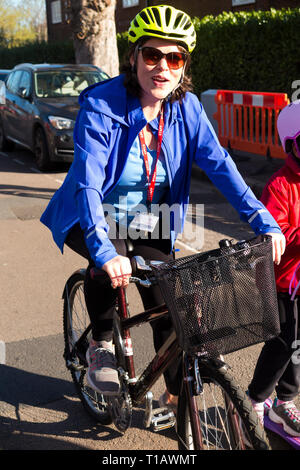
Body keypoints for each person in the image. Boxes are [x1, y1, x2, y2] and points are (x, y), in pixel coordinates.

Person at [40, 5, 285, 409]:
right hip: (92, 213)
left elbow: (222, 167)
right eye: (153, 55)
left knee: (169, 303)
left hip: (149, 219)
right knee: (111, 265)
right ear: (133, 56)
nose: (163, 67)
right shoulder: (103, 106)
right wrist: (102, 250)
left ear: (184, 63)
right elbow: (88, 182)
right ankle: (100, 343)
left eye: (174, 58)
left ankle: (176, 396)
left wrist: (265, 222)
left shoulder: (186, 109)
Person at [247, 100, 300, 437]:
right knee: (283, 342)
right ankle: (255, 399)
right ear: (291, 144)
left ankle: (285, 401)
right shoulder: (281, 185)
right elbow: (271, 234)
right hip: (283, 282)